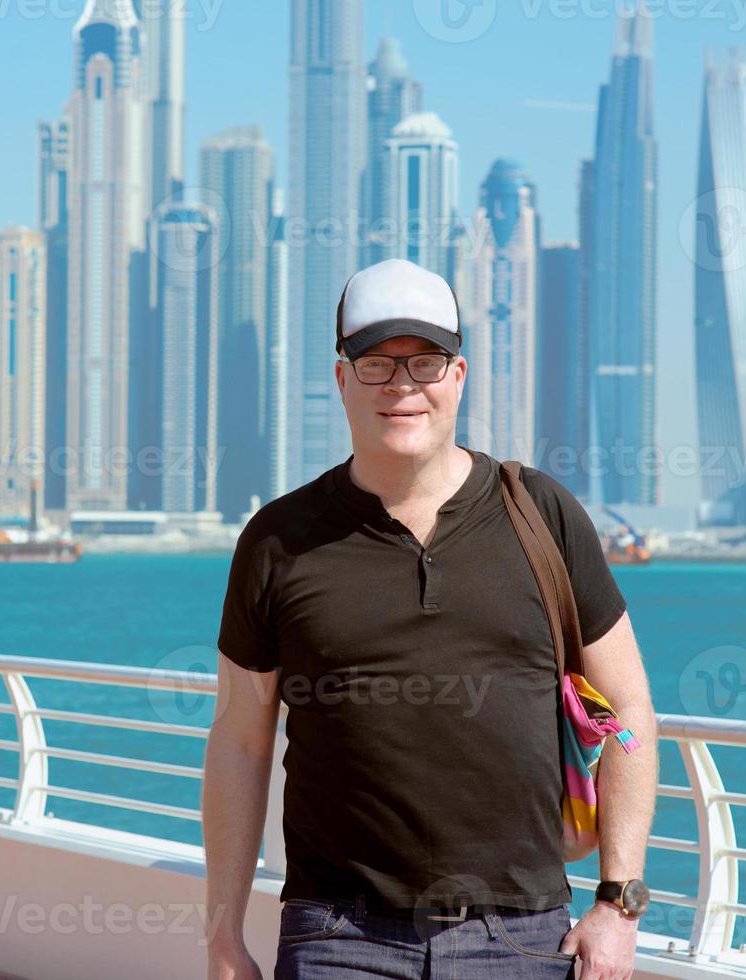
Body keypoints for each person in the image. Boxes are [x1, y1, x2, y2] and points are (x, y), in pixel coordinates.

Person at [201, 259, 658, 979]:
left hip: (523, 936)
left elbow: (629, 710)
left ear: (460, 374)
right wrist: (223, 938)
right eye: (378, 364)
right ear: (343, 378)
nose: (403, 386)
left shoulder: (542, 514)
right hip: (337, 937)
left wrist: (617, 902)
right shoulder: (279, 539)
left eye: (426, 362)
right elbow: (240, 739)